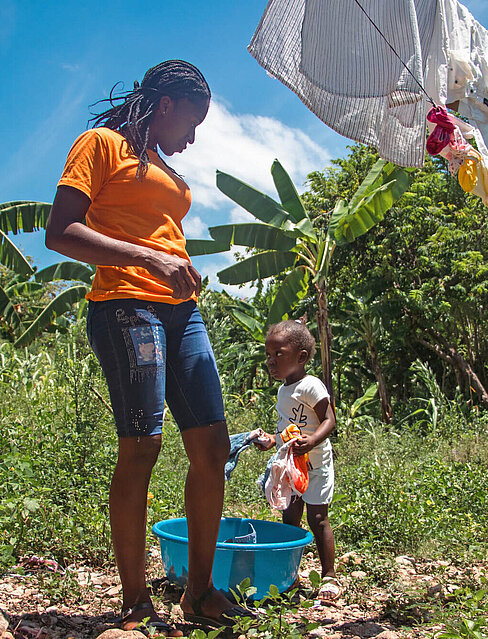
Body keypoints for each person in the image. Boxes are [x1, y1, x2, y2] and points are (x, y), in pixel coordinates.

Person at [46, 60, 254, 636]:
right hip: (123, 304)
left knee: (212, 447)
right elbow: (60, 230)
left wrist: (176, 266)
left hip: (180, 312)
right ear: (165, 106)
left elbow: (162, 236)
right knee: (143, 444)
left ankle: (200, 593)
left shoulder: (162, 167)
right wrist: (148, 258)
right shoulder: (101, 145)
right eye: (192, 122)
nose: (192, 138)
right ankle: (135, 599)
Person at [256, 319, 340, 601]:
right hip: (292, 467)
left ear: (301, 357)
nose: (271, 361)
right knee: (289, 518)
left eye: (278, 354)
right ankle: (288, 576)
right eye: (268, 355)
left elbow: (330, 420)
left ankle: (329, 576)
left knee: (317, 518)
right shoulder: (282, 391)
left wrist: (313, 440)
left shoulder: (311, 386)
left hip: (316, 465)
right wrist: (271, 440)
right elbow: (286, 430)